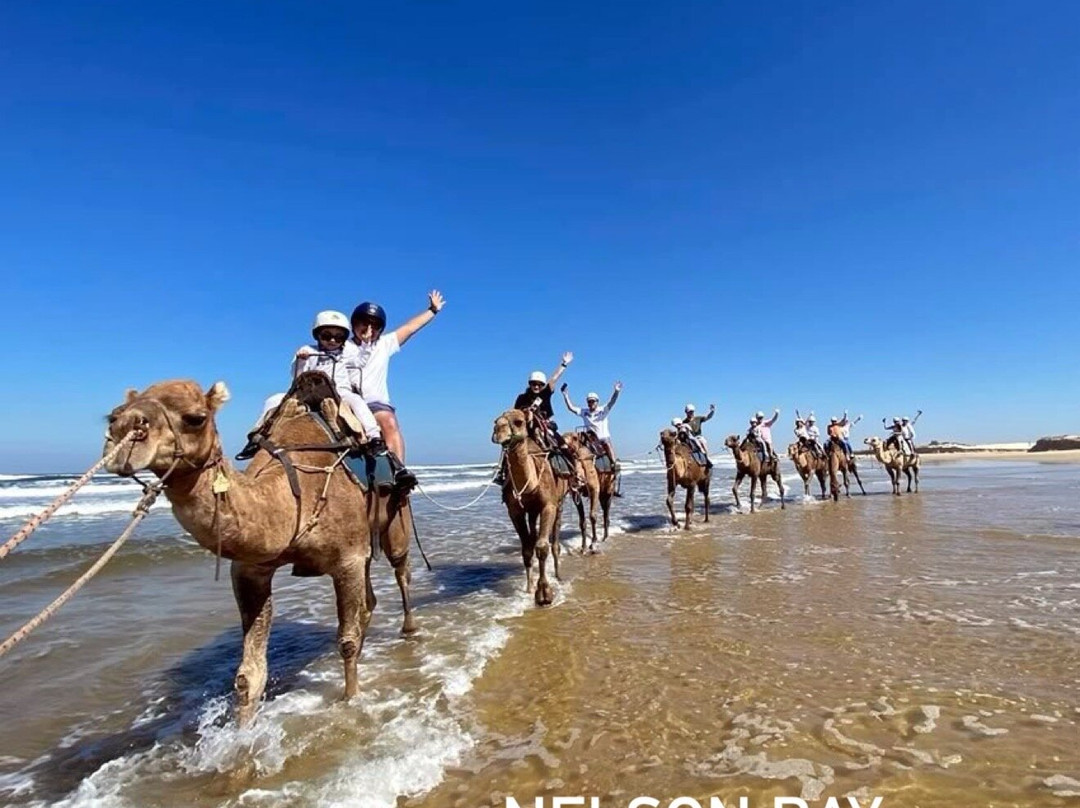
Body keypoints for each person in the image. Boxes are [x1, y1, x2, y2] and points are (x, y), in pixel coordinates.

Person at [236, 310, 382, 458]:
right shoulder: (308, 350)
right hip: (308, 394)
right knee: (273, 400)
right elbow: (297, 377)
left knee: (356, 401)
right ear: (317, 335)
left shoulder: (347, 352)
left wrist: (365, 344)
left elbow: (361, 361)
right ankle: (256, 438)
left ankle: (374, 438)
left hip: (339, 393)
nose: (332, 340)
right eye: (327, 336)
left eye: (338, 337)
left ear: (344, 339)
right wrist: (302, 360)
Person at [350, 291, 445, 466]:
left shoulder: (383, 345)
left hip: (374, 404)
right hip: (346, 403)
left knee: (389, 421)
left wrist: (432, 311)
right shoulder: (342, 346)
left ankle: (399, 472)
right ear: (354, 323)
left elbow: (409, 328)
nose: (369, 329)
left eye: (375, 325)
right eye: (364, 323)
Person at [561, 381, 622, 466]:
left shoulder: (603, 410)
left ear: (597, 402)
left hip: (602, 437)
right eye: (589, 401)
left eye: (593, 401)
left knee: (607, 444)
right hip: (590, 439)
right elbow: (571, 408)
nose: (591, 403)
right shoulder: (584, 412)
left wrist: (616, 391)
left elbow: (612, 401)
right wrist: (565, 395)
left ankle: (614, 464)